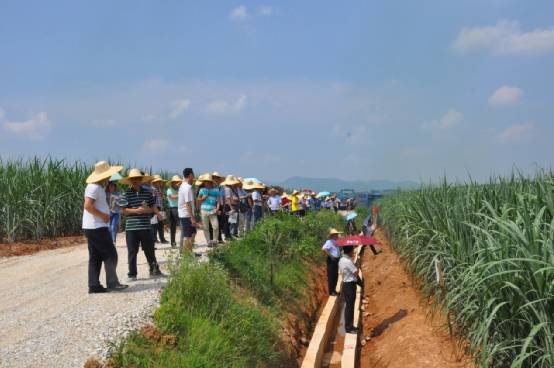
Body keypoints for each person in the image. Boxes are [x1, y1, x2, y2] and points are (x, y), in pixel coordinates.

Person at [82, 161, 128, 293]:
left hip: (93, 226)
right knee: (111, 254)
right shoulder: (94, 188)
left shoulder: (97, 187)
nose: (109, 177)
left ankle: (94, 285)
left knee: (95, 256)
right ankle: (112, 283)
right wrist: (103, 216)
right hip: (96, 226)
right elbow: (87, 205)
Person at [119, 169, 163, 280]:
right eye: (132, 179)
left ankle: (154, 270)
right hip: (131, 227)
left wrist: (151, 212)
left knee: (149, 250)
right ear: (129, 181)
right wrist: (137, 210)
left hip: (145, 226)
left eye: (137, 179)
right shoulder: (125, 194)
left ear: (141, 180)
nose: (135, 181)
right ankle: (132, 274)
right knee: (132, 251)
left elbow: (152, 208)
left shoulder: (148, 193)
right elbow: (123, 211)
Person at [339, 245, 363, 334]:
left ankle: (350, 326)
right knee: (349, 307)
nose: (353, 252)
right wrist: (357, 264)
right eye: (352, 250)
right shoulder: (348, 261)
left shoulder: (341, 260)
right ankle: (349, 328)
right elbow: (356, 272)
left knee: (349, 306)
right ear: (349, 251)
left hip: (346, 284)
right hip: (350, 285)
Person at [178, 168, 198, 254]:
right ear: (190, 175)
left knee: (193, 233)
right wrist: (192, 217)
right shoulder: (187, 187)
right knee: (188, 236)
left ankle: (190, 252)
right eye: (193, 175)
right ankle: (187, 255)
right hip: (186, 215)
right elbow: (188, 204)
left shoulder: (182, 185)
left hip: (186, 214)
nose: (193, 177)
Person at [197, 173, 220, 246]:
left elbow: (218, 201)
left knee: (216, 226)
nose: (207, 183)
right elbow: (198, 199)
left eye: (208, 181)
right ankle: (208, 242)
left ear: (211, 182)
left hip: (213, 210)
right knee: (205, 227)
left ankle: (215, 241)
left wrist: (217, 208)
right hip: (204, 210)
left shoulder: (216, 190)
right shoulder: (202, 190)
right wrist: (203, 198)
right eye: (205, 181)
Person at [321, 228, 342, 296]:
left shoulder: (335, 241)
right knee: (331, 276)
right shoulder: (329, 242)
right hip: (332, 261)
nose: (337, 235)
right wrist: (331, 256)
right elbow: (323, 249)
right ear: (333, 235)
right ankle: (331, 291)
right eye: (336, 234)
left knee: (335, 276)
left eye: (337, 234)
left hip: (336, 260)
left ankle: (334, 290)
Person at [150, 174, 168, 244]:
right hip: (155, 208)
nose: (160, 183)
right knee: (154, 224)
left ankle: (162, 239)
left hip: (160, 207)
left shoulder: (159, 189)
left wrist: (161, 192)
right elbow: (153, 200)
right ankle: (154, 239)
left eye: (160, 182)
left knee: (160, 224)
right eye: (158, 182)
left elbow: (161, 198)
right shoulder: (153, 189)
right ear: (154, 182)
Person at [166, 175, 182, 247]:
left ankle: (182, 241)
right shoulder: (169, 190)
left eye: (178, 182)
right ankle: (173, 242)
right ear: (172, 183)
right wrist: (181, 194)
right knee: (174, 226)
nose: (177, 184)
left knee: (179, 225)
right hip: (173, 208)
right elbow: (172, 197)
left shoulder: (179, 189)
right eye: (176, 182)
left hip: (179, 207)